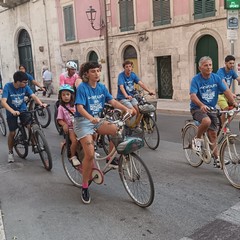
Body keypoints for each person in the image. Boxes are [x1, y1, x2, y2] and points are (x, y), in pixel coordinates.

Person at [74, 61, 132, 204]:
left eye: (98, 71)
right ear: (87, 74)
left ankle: (111, 159)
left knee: (116, 128)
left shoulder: (101, 87)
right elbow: (80, 108)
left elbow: (112, 101)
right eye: (93, 71)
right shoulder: (82, 87)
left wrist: (126, 109)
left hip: (97, 120)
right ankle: (85, 186)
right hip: (83, 122)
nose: (97, 73)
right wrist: (90, 118)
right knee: (90, 154)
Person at [190, 56, 238, 168]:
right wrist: (201, 105)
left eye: (210, 65)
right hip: (197, 108)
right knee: (206, 121)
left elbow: (226, 91)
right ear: (200, 67)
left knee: (213, 133)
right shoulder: (196, 79)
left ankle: (216, 159)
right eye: (206, 65)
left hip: (211, 108)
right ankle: (197, 138)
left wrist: (234, 102)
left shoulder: (216, 78)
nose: (209, 67)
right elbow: (192, 96)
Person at [1, 71, 47, 163]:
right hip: (12, 111)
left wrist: (41, 104)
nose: (26, 84)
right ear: (17, 81)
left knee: (30, 125)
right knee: (12, 133)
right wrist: (12, 111)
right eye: (24, 82)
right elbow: (3, 102)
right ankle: (10, 152)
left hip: (22, 109)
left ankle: (34, 144)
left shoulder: (25, 87)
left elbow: (33, 96)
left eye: (26, 82)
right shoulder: (8, 87)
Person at [116, 60, 154, 127]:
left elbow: (141, 84)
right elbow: (121, 87)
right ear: (124, 68)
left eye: (130, 66)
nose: (129, 68)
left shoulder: (133, 75)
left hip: (131, 97)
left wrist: (149, 91)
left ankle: (136, 126)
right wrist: (126, 95)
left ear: (132, 67)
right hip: (122, 98)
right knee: (133, 111)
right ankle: (123, 123)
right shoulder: (121, 76)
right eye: (126, 67)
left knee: (139, 111)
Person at [57, 84, 80, 167]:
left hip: (79, 125)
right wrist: (64, 124)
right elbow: (59, 119)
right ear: (61, 96)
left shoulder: (75, 105)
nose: (66, 97)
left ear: (71, 95)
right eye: (63, 95)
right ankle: (73, 156)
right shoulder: (61, 107)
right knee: (74, 141)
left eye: (68, 94)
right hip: (70, 128)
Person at [217, 55, 240, 129]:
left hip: (227, 95)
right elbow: (224, 85)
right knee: (226, 108)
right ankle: (223, 128)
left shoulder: (232, 72)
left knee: (236, 106)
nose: (232, 65)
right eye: (230, 63)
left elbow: (238, 79)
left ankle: (223, 120)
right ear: (225, 63)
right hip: (219, 94)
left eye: (233, 63)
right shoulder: (220, 71)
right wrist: (231, 93)